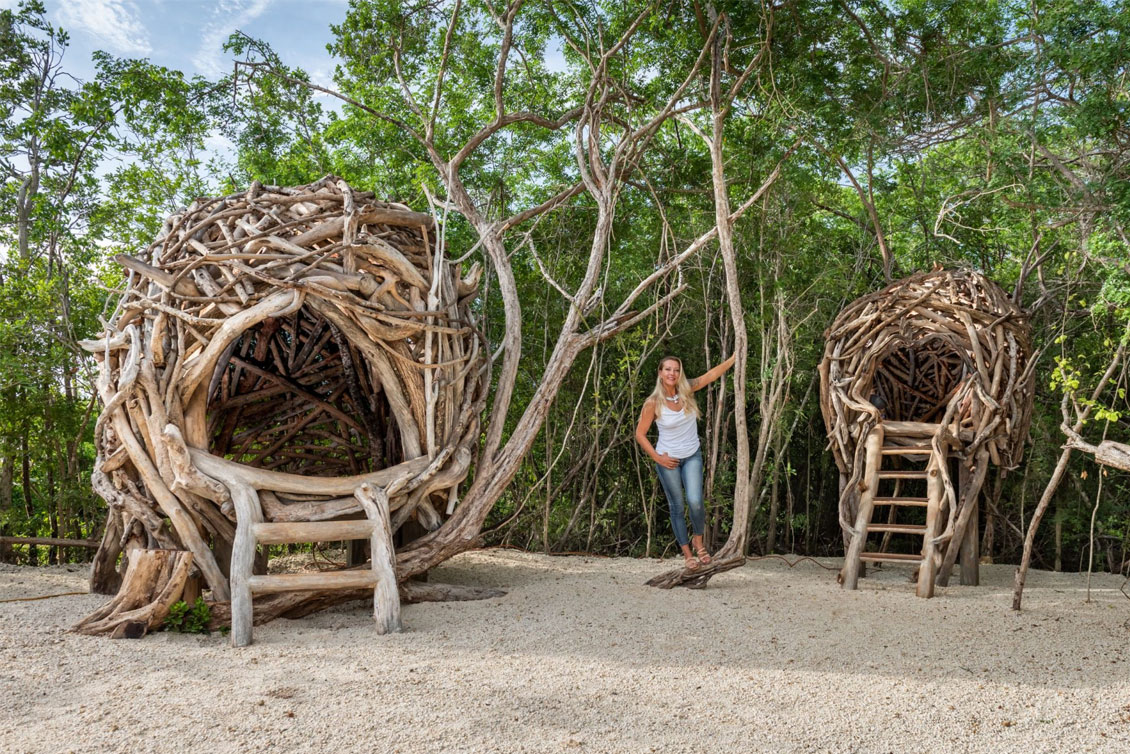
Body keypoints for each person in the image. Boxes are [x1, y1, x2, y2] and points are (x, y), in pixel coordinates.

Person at [634, 353, 736, 570]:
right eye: (668, 369)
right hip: (667, 460)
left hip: (691, 456)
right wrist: (657, 457)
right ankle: (687, 553)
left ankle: (698, 541)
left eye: (676, 369)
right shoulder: (652, 402)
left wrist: (733, 359)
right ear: (660, 373)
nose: (672, 373)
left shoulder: (686, 389)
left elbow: (710, 376)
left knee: (696, 501)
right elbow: (640, 434)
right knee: (677, 506)